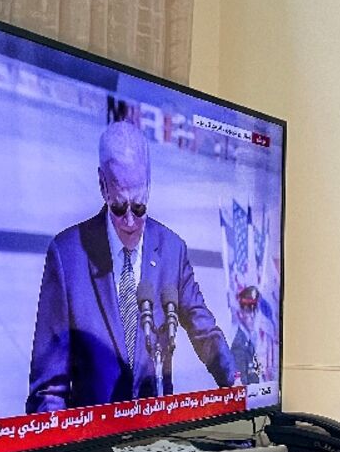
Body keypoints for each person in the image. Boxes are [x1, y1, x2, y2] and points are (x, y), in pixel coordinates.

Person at [26, 121, 237, 412]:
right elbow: (48, 390)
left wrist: (239, 385)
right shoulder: (67, 256)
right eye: (119, 207)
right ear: (103, 185)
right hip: (94, 449)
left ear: (149, 184)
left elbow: (205, 331)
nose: (129, 222)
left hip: (158, 438)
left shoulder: (172, 250)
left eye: (139, 207)